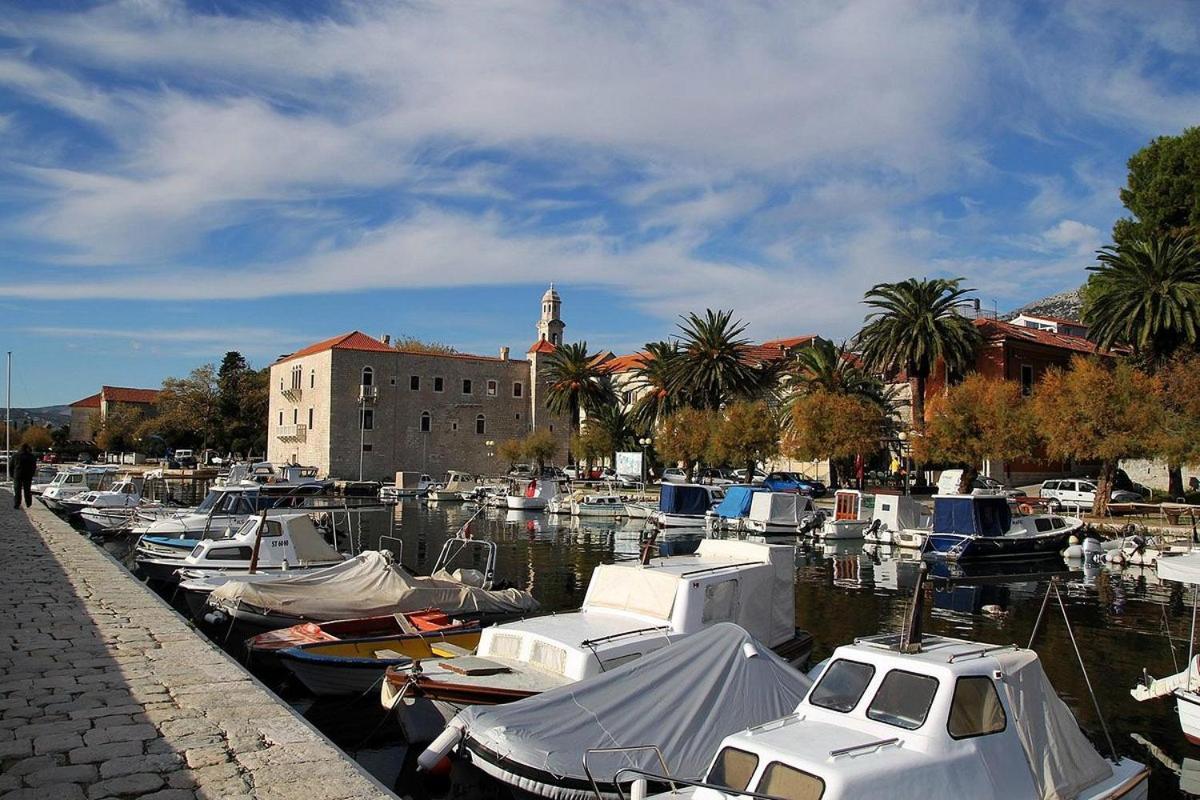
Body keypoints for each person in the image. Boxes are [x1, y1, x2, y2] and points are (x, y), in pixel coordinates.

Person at [12, 443, 36, 510]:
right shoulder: (31, 456)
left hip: (17, 475)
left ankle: (17, 504)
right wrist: (32, 474)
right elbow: (34, 467)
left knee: (17, 490)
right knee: (27, 490)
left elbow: (11, 466)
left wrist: (12, 475)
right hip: (27, 475)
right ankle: (28, 503)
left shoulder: (15, 455)